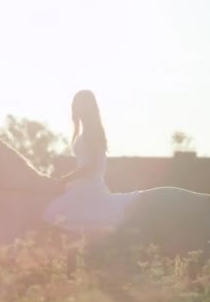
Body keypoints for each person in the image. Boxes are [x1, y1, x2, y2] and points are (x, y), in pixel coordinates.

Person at [42, 90, 139, 231]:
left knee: (51, 212)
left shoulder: (91, 131)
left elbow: (92, 166)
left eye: (80, 104)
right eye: (75, 103)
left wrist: (65, 179)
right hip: (83, 185)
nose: (76, 107)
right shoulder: (87, 131)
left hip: (89, 187)